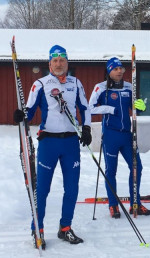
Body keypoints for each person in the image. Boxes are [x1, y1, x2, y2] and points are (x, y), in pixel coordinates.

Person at [13, 45, 91, 248]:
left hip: (71, 142)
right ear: (49, 63)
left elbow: (85, 107)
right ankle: (37, 228)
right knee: (42, 189)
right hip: (48, 141)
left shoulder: (76, 83)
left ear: (67, 63)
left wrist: (87, 128)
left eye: (62, 60)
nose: (59, 64)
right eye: (55, 60)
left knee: (72, 188)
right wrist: (21, 115)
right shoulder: (40, 83)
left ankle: (65, 227)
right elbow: (28, 111)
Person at [89, 57, 150, 218]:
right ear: (109, 71)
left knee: (136, 167)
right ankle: (113, 205)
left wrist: (140, 107)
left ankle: (135, 204)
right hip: (111, 134)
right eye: (116, 69)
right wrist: (109, 109)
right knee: (111, 170)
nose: (119, 71)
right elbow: (90, 108)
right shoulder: (100, 88)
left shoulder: (129, 87)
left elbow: (135, 106)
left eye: (121, 69)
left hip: (127, 135)